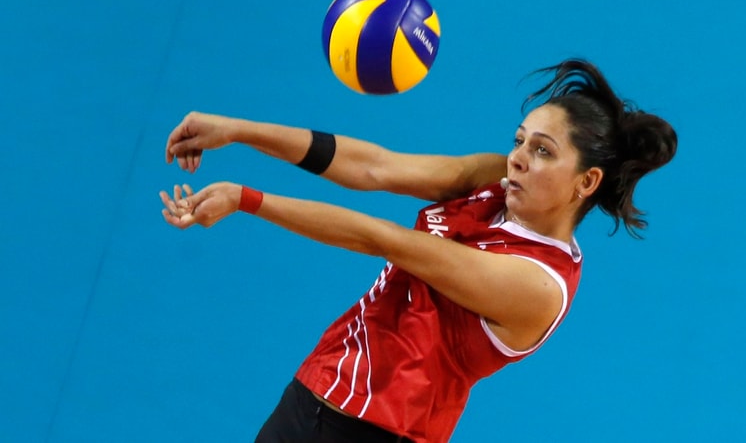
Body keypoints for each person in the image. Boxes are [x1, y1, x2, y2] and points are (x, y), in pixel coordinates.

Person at [160, 59, 677, 443]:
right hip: (318, 390)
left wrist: (246, 198)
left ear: (587, 181)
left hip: (377, 432)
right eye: (520, 141)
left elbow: (383, 240)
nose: (518, 159)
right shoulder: (493, 181)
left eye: (543, 151)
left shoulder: (538, 284)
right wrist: (238, 130)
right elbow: (375, 167)